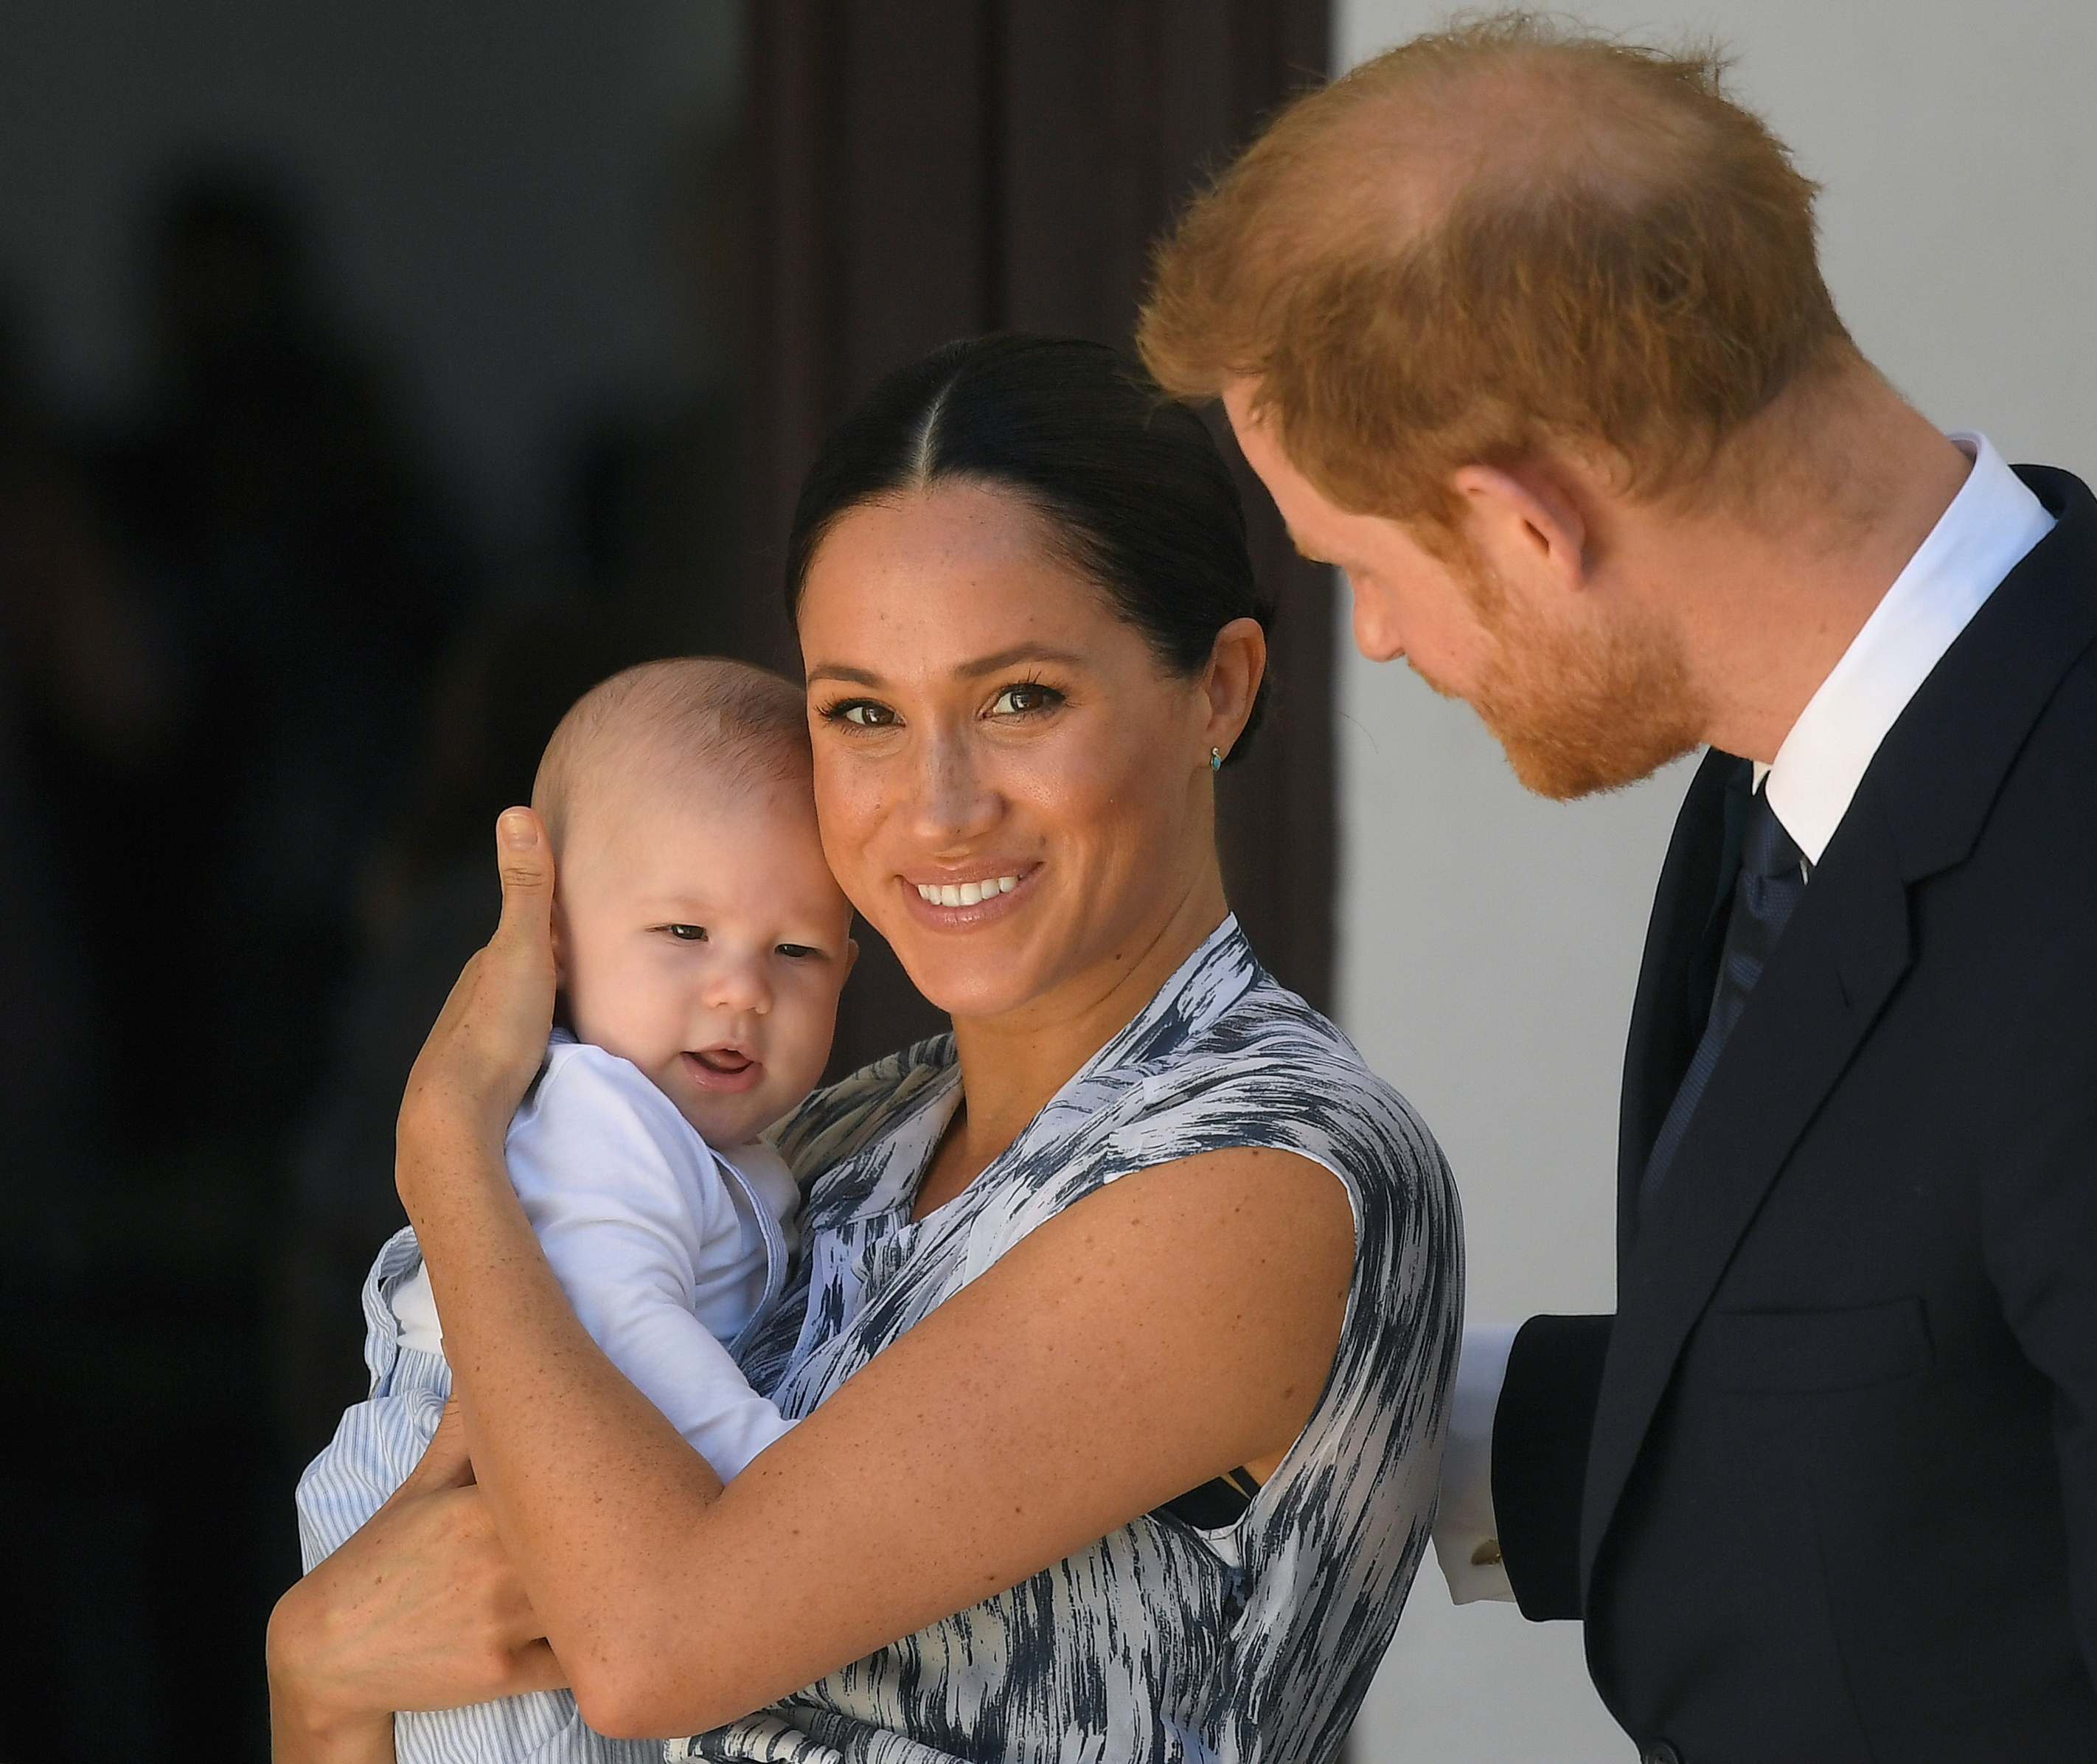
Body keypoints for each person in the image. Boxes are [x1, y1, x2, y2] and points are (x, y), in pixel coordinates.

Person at [1139, 16, 2097, 1764]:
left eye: (1362, 570)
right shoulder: (1820, 754)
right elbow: (1894, 1396)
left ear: (1528, 521)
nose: (1379, 637)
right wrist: (1296, 1392)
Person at [266, 334, 1464, 1764]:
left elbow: (649, 1648)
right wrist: (316, 1673)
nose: (938, 805)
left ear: (1219, 686)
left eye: (1021, 696)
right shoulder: (820, 1145)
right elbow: (431, 1666)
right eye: (863, 714)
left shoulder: (1260, 1166)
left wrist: (448, 1148)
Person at [294, 656, 855, 1763]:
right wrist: (787, 1499)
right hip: (468, 1510)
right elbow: (623, 1327)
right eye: (684, 934)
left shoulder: (730, 1145)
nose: (742, 989)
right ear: (549, 946)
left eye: (794, 951)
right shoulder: (602, 1116)